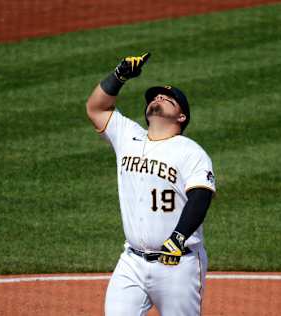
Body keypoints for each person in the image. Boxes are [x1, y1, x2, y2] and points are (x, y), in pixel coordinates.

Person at [86, 53, 216, 316]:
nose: (158, 99)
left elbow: (201, 195)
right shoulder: (128, 136)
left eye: (168, 99)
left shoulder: (190, 151)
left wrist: (178, 237)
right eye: (154, 98)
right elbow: (96, 108)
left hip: (179, 264)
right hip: (131, 262)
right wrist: (119, 75)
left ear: (181, 117)